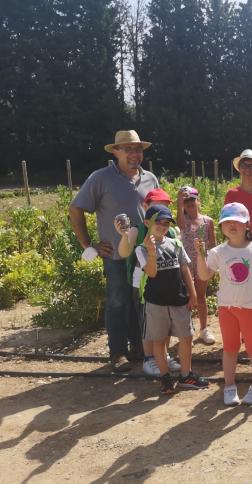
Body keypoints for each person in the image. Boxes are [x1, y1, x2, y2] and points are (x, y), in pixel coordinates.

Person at [69, 130, 159, 372]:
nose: (134, 154)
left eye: (138, 149)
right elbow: (76, 209)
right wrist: (89, 245)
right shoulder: (101, 178)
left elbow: (158, 211)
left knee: (141, 301)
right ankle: (117, 353)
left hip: (143, 255)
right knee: (118, 302)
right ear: (116, 151)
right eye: (128, 149)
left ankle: (141, 348)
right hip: (116, 256)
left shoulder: (150, 178)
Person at [195, 203, 252, 406]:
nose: (232, 226)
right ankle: (229, 386)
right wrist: (200, 254)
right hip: (227, 308)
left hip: (251, 308)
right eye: (227, 222)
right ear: (222, 227)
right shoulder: (218, 252)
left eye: (237, 222)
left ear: (246, 225)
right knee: (230, 348)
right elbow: (204, 274)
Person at [134, 205, 209, 394]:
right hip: (155, 302)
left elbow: (185, 269)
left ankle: (186, 376)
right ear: (147, 223)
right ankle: (165, 378)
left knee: (186, 337)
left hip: (178, 299)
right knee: (159, 341)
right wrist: (151, 252)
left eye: (166, 223)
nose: (162, 226)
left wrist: (192, 294)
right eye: (157, 222)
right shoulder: (141, 249)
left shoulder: (174, 243)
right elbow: (151, 273)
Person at [117, 188, 181, 376]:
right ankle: (149, 359)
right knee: (147, 322)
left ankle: (163, 355)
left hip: (164, 283)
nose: (161, 211)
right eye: (156, 206)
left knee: (165, 321)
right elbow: (123, 252)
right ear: (145, 207)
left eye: (166, 206)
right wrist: (124, 236)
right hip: (142, 284)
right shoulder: (138, 229)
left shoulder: (169, 231)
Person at [176, 186, 217, 345]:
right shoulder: (182, 220)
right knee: (187, 297)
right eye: (186, 201)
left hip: (202, 262)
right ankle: (187, 330)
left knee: (201, 296)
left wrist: (213, 264)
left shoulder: (208, 221)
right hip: (186, 264)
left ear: (198, 201)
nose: (190, 203)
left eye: (192, 200)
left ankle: (204, 329)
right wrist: (179, 201)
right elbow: (179, 222)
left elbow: (213, 243)